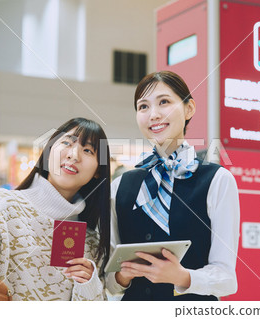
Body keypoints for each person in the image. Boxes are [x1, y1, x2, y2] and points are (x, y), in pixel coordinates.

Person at [106, 71, 240, 301]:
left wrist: (183, 277)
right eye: (143, 107)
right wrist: (121, 278)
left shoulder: (217, 180)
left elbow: (227, 278)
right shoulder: (120, 186)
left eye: (164, 102)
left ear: (189, 109)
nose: (154, 115)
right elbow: (109, 281)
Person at [0, 117, 111, 301]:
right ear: (48, 152)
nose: (74, 155)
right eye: (66, 142)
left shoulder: (92, 243)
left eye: (88, 150)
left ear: (98, 170)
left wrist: (88, 285)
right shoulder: (2, 205)